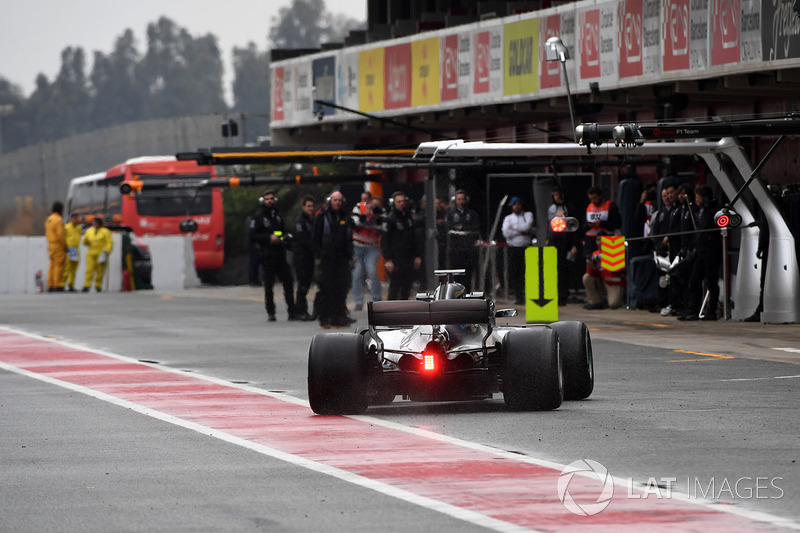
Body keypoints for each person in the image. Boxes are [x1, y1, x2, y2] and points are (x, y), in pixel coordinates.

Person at [249, 191, 298, 322]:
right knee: (269, 285)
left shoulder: (277, 216)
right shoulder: (258, 217)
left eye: (271, 199)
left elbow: (281, 231)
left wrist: (284, 237)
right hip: (267, 255)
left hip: (280, 254)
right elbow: (252, 235)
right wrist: (268, 238)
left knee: (288, 282)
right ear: (262, 201)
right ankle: (271, 312)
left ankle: (292, 311)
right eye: (267, 199)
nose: (269, 201)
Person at [679, 186, 723, 321]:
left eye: (698, 197)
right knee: (694, 281)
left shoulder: (716, 210)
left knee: (712, 282)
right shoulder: (701, 211)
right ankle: (692, 310)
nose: (696, 200)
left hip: (712, 251)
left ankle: (712, 311)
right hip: (700, 250)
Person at [313, 190, 354, 328]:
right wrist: (319, 254)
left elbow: (348, 237)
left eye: (340, 200)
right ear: (330, 201)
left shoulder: (345, 216)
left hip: (342, 259)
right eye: (335, 200)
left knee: (341, 288)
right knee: (326, 288)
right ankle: (324, 318)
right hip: (327, 258)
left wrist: (350, 255)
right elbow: (316, 236)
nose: (337, 203)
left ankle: (338, 317)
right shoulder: (322, 216)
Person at [381, 191, 423, 300]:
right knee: (395, 286)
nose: (401, 203)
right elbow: (385, 241)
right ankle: (391, 312)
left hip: (408, 257)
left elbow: (414, 238)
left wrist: (417, 256)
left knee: (407, 285)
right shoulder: (390, 219)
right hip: (396, 258)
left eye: (403, 201)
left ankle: (404, 311)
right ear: (393, 203)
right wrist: (388, 259)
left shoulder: (409, 218)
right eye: (398, 201)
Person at [351, 193, 383, 310]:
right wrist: (366, 215)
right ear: (368, 203)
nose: (375, 207)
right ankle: (359, 301)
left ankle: (377, 299)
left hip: (372, 247)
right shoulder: (359, 208)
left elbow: (382, 228)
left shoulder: (380, 212)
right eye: (373, 205)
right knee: (357, 273)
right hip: (357, 246)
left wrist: (376, 217)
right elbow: (354, 223)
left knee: (372, 270)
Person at [547, 186, 578, 306]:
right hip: (554, 242)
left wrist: (574, 245)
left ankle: (564, 295)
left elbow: (575, 227)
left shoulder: (570, 208)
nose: (558, 197)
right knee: (554, 270)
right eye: (556, 195)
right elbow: (548, 225)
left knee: (564, 270)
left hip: (567, 243)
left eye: (560, 195)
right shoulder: (551, 208)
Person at [445, 190, 481, 291]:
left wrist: (462, 227)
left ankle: (467, 292)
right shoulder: (451, 214)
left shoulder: (471, 213)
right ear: (455, 200)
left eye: (463, 199)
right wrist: (460, 228)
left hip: (468, 248)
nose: (461, 201)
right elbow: (448, 226)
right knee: (456, 273)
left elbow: (475, 226)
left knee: (468, 273)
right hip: (455, 248)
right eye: (459, 199)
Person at [501, 197, 534, 305]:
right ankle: (519, 296)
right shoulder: (508, 218)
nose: (517, 206)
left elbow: (527, 226)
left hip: (526, 248)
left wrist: (513, 228)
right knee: (515, 273)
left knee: (526, 273)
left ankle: (528, 295)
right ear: (512, 206)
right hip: (513, 248)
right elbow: (506, 233)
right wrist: (520, 231)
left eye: (519, 204)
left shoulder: (528, 215)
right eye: (515, 204)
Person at [582, 232, 626, 309]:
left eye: (602, 240)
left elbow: (619, 271)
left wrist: (606, 259)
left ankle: (617, 298)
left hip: (614, 282)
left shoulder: (616, 251)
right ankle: (595, 301)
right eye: (598, 240)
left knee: (613, 304)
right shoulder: (595, 254)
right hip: (602, 280)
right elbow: (593, 273)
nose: (599, 242)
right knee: (587, 277)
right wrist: (591, 267)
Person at [292, 195, 317, 321]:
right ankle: (301, 311)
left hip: (309, 256)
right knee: (302, 284)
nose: (311, 208)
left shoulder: (312, 220)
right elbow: (304, 240)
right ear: (303, 207)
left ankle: (302, 310)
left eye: (312, 206)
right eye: (308, 206)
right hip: (301, 256)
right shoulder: (300, 222)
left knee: (306, 284)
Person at [583, 186, 621, 260]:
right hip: (591, 240)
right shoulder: (589, 207)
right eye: (591, 199)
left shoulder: (610, 206)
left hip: (608, 238)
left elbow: (618, 223)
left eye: (595, 198)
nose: (593, 201)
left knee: (610, 264)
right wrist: (589, 225)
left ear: (600, 196)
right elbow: (583, 225)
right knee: (591, 264)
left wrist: (601, 223)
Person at [82, 216, 113, 292]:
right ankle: (86, 285)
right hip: (91, 253)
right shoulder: (89, 231)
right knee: (89, 270)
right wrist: (86, 241)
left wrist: (108, 249)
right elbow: (84, 242)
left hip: (101, 254)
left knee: (100, 271)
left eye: (95, 223)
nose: (94, 224)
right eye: (93, 223)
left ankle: (98, 286)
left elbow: (109, 241)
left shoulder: (105, 231)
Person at [44, 201, 67, 292]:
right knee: (59, 265)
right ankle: (57, 285)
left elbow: (46, 233)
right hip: (58, 246)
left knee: (52, 265)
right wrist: (65, 246)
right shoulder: (58, 220)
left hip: (50, 245)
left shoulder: (49, 219)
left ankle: (51, 284)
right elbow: (61, 235)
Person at [63, 213, 83, 292]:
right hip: (69, 249)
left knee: (74, 269)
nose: (75, 220)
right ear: (71, 219)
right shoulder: (67, 227)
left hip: (76, 249)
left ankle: (71, 285)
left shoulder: (79, 228)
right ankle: (62, 284)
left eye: (76, 218)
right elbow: (63, 238)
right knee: (67, 268)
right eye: (74, 218)